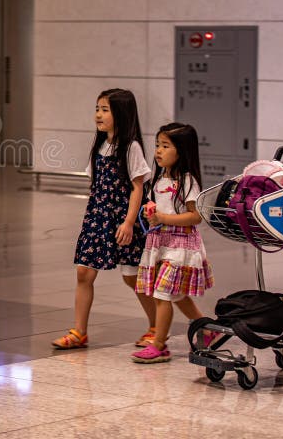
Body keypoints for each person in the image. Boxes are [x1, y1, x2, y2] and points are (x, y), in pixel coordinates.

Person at [52, 88, 156, 349]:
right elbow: (96, 183)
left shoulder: (130, 147)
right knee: (84, 272)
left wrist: (129, 222)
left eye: (105, 110)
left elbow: (138, 187)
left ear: (121, 114)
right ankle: (79, 332)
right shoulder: (100, 144)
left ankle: (156, 326)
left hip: (123, 218)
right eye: (97, 109)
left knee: (132, 276)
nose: (98, 115)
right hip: (98, 217)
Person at [132, 122, 215, 363]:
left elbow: (195, 216)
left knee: (162, 294)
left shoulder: (187, 181)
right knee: (176, 295)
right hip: (161, 243)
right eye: (157, 145)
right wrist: (151, 212)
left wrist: (163, 217)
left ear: (182, 151)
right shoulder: (159, 180)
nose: (158, 150)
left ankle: (159, 345)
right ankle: (207, 330)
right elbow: (158, 209)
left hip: (181, 246)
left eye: (165, 146)